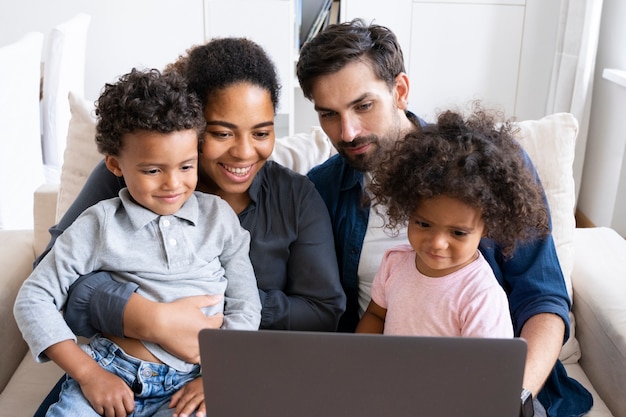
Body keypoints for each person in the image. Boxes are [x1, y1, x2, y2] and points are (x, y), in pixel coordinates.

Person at [296, 19, 592, 417]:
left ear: (399, 90)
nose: (347, 132)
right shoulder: (321, 189)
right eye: (329, 114)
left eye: (363, 106)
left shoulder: (481, 169)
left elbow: (542, 298)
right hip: (384, 384)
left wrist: (511, 395)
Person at [34, 38, 345, 417]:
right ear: (193, 127)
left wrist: (218, 311)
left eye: (261, 133)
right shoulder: (133, 170)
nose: (245, 152)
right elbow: (47, 283)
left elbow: (322, 311)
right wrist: (146, 315)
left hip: (215, 374)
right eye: (222, 133)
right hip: (111, 369)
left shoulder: (295, 197)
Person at [15, 68, 262, 416]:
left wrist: (218, 376)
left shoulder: (218, 218)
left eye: (186, 166)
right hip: (111, 371)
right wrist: (89, 375)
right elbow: (33, 297)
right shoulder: (99, 223)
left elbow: (245, 306)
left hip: (189, 384)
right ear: (115, 165)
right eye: (152, 170)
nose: (173, 184)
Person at [356, 105, 550, 338]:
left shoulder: (481, 295)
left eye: (458, 233)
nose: (437, 243)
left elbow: (484, 370)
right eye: (423, 224)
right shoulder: (393, 263)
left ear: (487, 227)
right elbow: (376, 315)